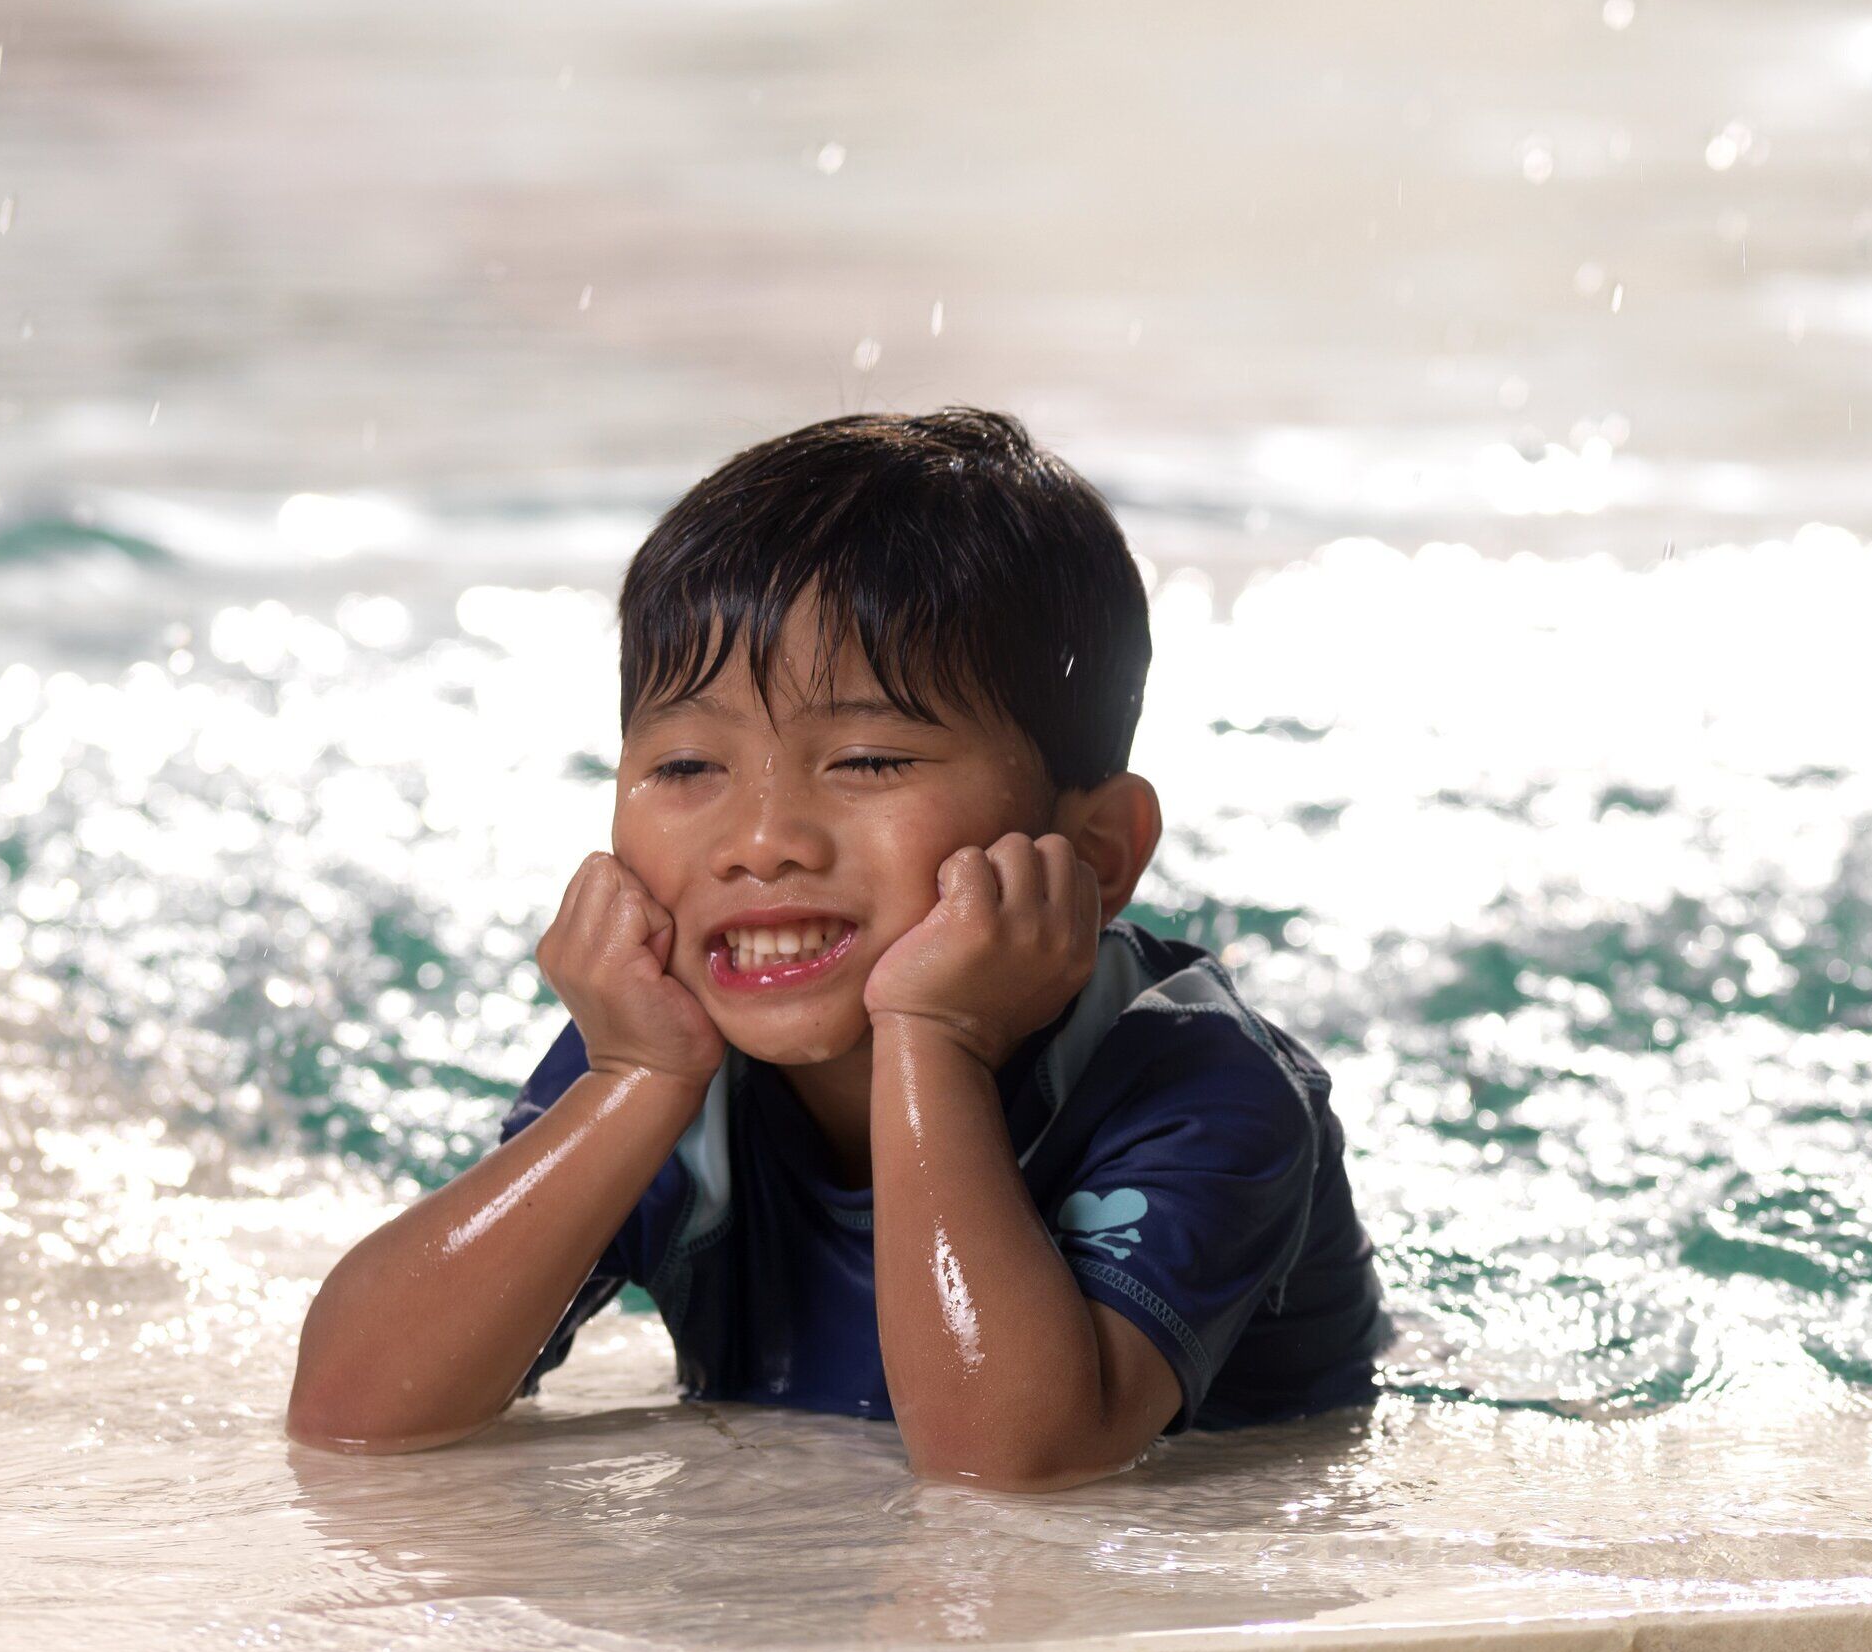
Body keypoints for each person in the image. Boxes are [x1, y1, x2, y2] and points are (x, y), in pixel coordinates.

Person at [289, 408, 1387, 1487]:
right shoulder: (666, 1055)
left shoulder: (1206, 1087)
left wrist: (934, 1034)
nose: (760, 841)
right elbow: (354, 1413)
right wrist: (631, 1082)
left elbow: (1010, 1466)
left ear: (1095, 851)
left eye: (866, 761)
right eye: (685, 769)